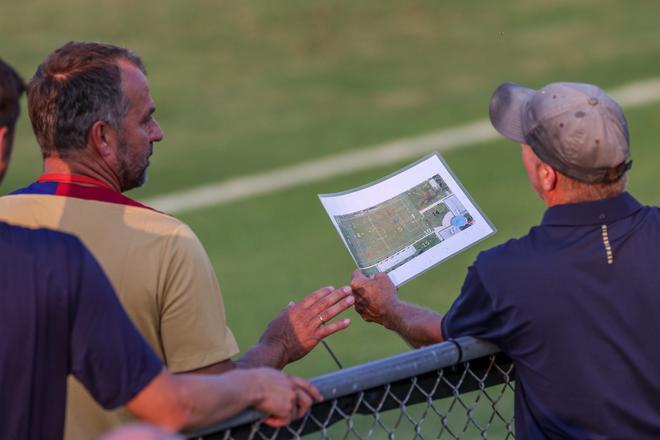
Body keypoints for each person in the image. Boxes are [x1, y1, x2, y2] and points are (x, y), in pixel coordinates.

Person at [0, 41, 353, 439]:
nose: (158, 133)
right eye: (146, 119)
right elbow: (208, 403)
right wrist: (278, 345)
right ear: (103, 138)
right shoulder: (165, 243)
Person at [350, 81, 660, 438]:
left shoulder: (506, 273)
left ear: (547, 175)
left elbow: (446, 340)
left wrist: (390, 310)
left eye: (528, 144)